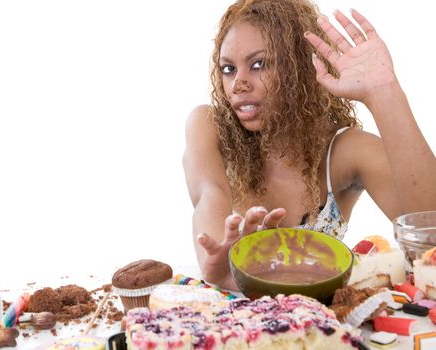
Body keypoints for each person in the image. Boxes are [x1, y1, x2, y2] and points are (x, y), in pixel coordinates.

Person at [183, 0, 436, 291]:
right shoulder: (209, 126)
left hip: (320, 327)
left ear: (300, 68)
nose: (238, 83)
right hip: (232, 324)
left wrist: (384, 92)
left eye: (258, 64)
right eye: (228, 69)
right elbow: (208, 194)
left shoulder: (343, 151)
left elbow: (430, 233)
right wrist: (228, 272)